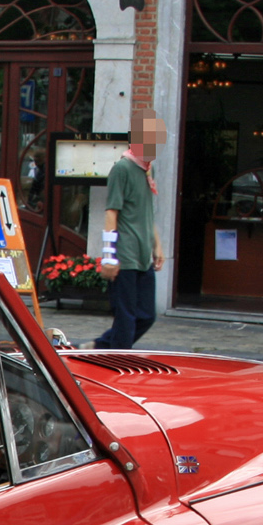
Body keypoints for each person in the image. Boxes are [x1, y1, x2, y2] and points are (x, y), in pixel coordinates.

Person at [94, 108, 165, 350]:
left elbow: (146, 212)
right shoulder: (122, 169)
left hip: (143, 255)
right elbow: (111, 213)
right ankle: (115, 364)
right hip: (125, 255)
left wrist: (157, 245)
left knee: (146, 316)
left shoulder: (146, 169)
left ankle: (98, 348)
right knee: (126, 319)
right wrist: (108, 256)